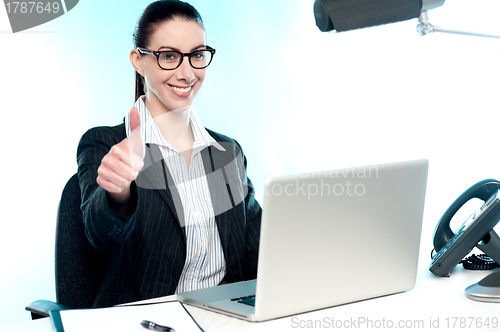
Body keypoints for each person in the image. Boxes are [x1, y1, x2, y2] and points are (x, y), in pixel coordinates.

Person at [76, 0, 262, 308]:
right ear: (138, 60)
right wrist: (118, 195)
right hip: (145, 319)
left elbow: (258, 251)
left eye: (197, 55)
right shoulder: (106, 142)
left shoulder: (226, 152)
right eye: (169, 56)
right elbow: (99, 234)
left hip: (225, 317)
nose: (187, 72)